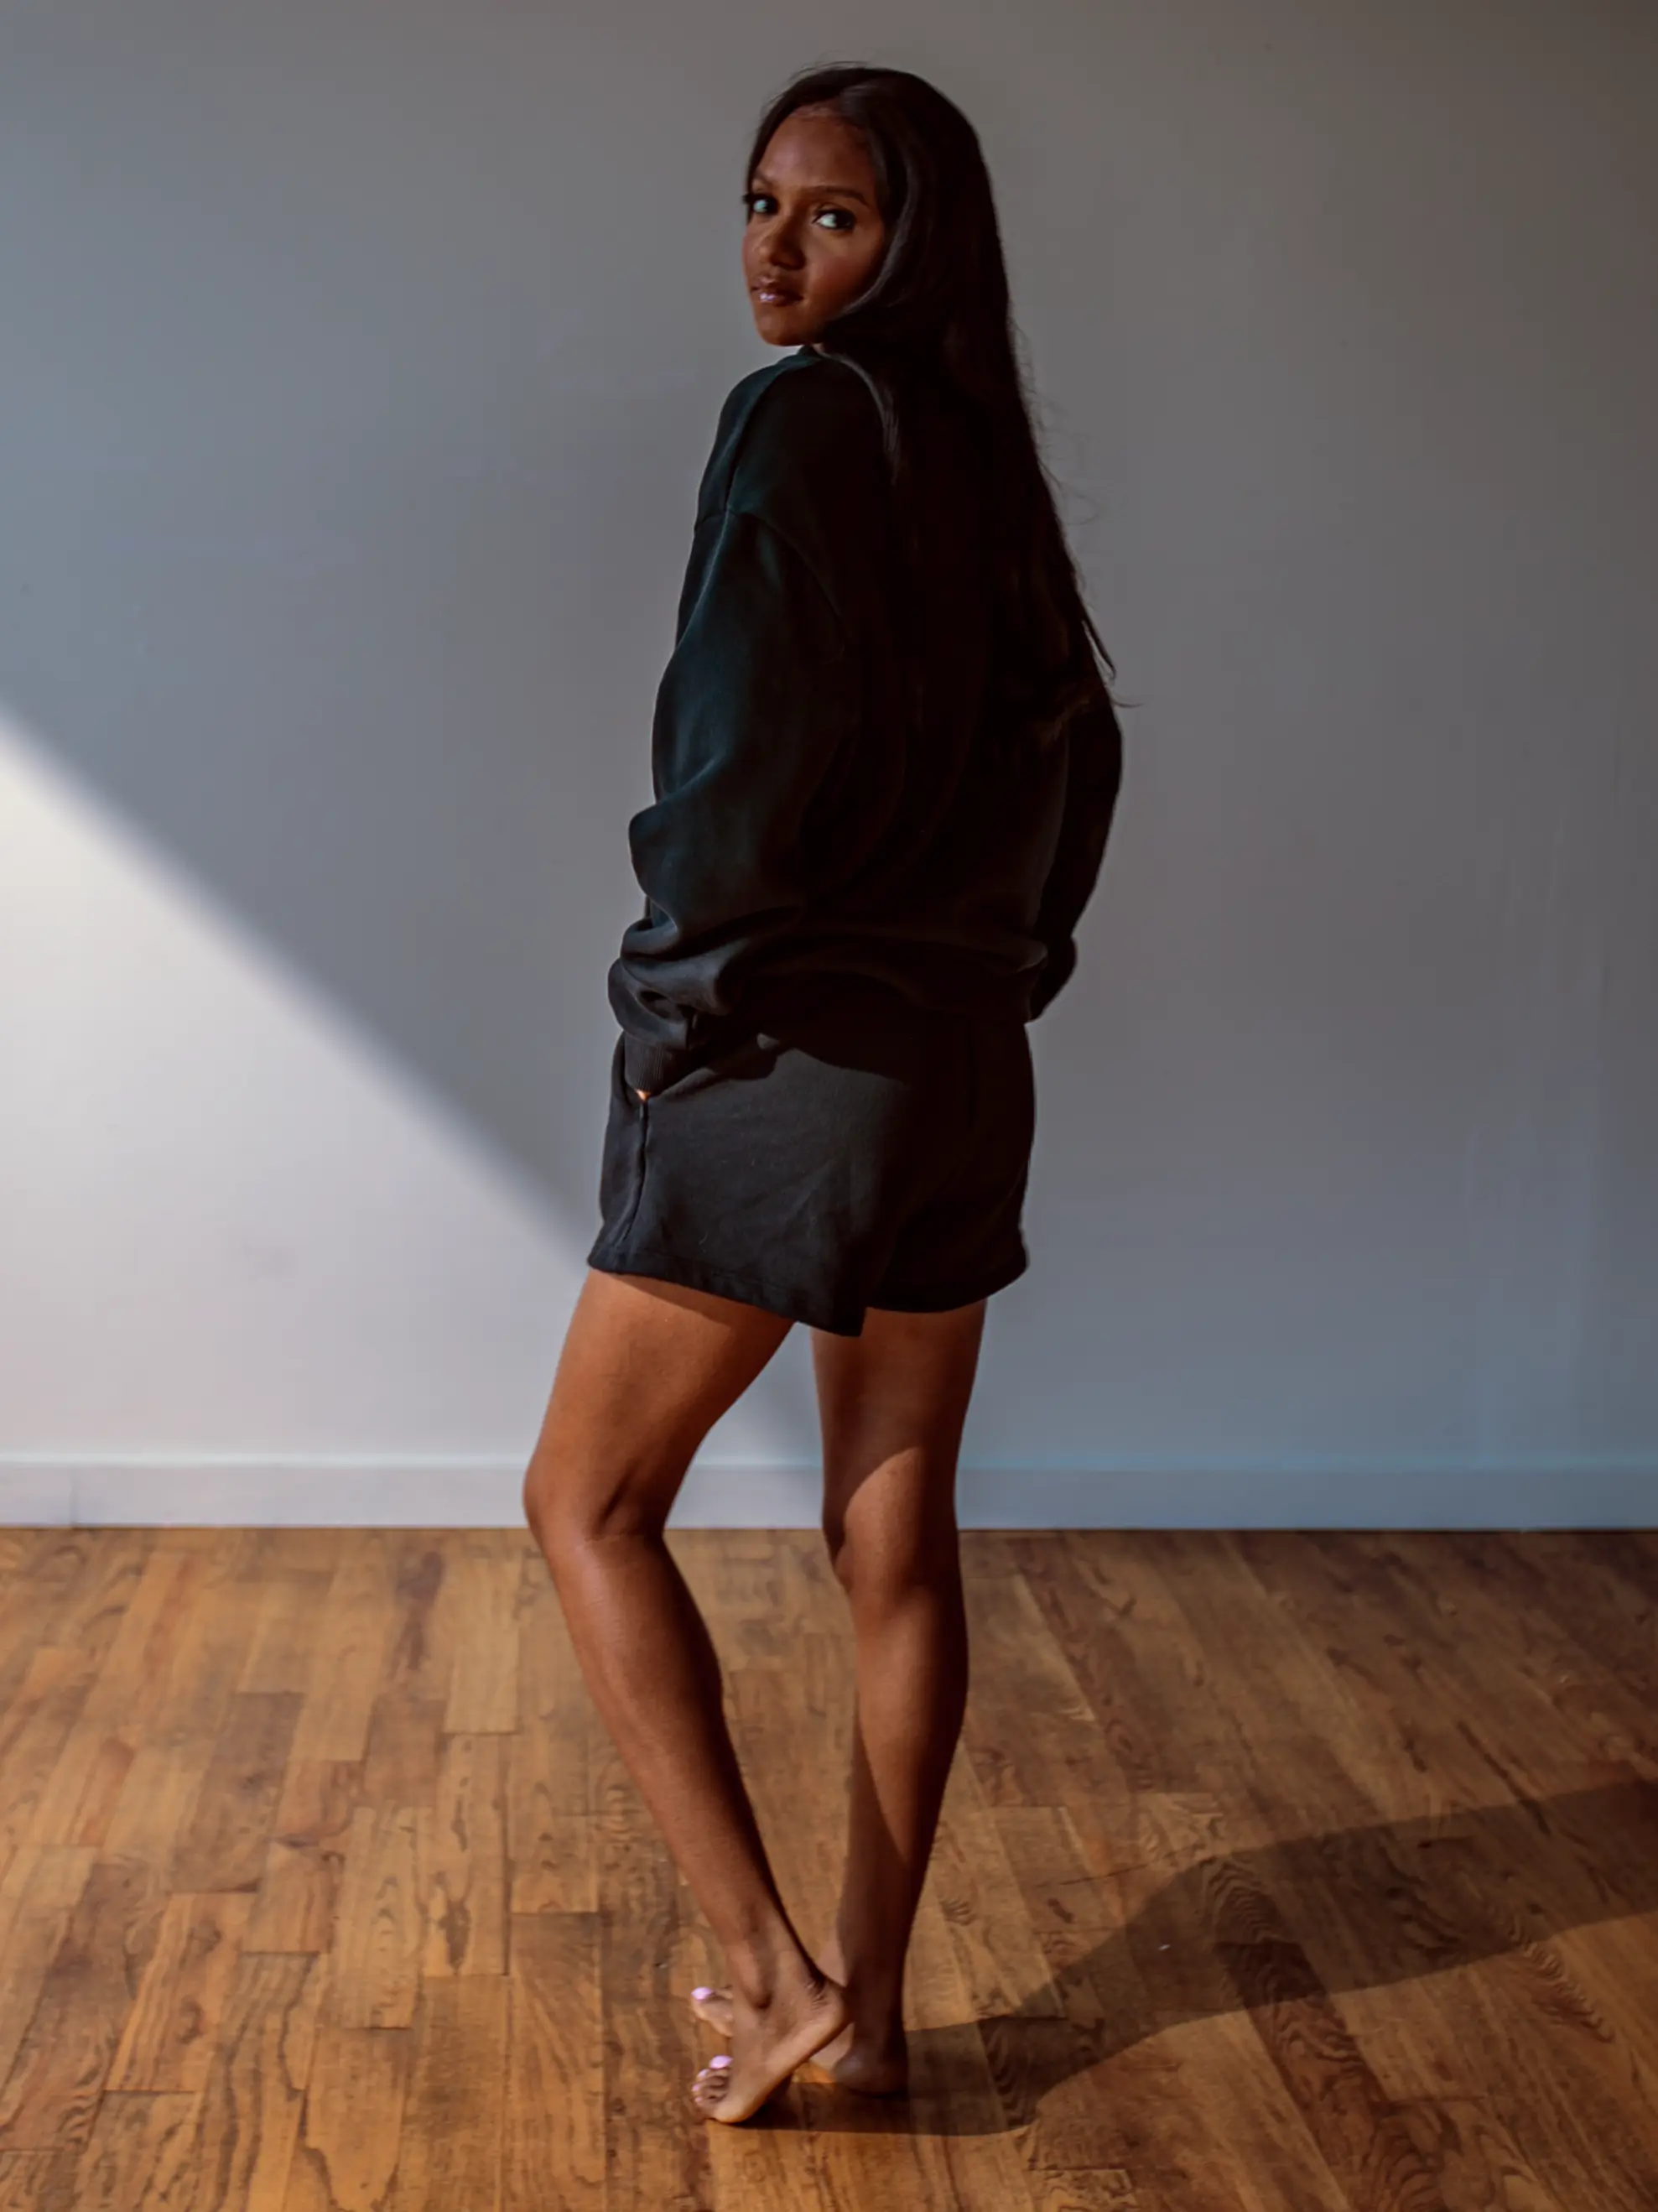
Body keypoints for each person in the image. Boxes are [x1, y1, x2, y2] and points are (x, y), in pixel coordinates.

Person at [522, 62, 1125, 2126]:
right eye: (761, 203)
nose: (778, 248)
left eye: (834, 215)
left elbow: (734, 774)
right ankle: (860, 2010)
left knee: (583, 1501)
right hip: (962, 1074)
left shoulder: (796, 420)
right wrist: (995, 973)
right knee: (896, 1535)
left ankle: (771, 1974)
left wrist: (672, 1000)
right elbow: (1085, 768)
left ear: (912, 241)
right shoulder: (988, 464)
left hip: (794, 1067)